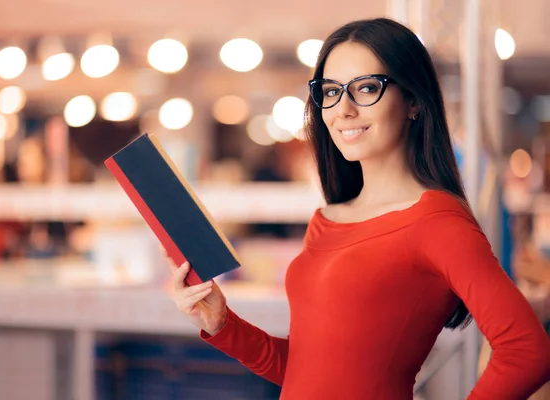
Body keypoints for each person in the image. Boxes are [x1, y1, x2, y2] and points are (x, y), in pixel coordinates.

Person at [162, 18, 550, 399]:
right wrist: (223, 324)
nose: (343, 108)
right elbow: (309, 371)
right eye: (330, 91)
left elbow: (526, 351)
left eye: (366, 88)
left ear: (414, 101)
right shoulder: (327, 219)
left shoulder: (437, 222)